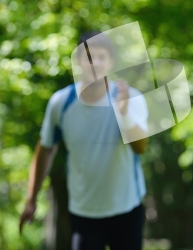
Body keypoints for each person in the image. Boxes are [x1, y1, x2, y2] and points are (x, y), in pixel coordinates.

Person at [19, 31, 149, 250]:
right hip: (83, 212)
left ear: (111, 62)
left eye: (101, 57)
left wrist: (123, 112)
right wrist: (31, 198)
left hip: (127, 208)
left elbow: (140, 147)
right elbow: (46, 148)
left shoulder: (129, 97)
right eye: (88, 57)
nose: (94, 63)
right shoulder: (61, 102)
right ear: (77, 60)